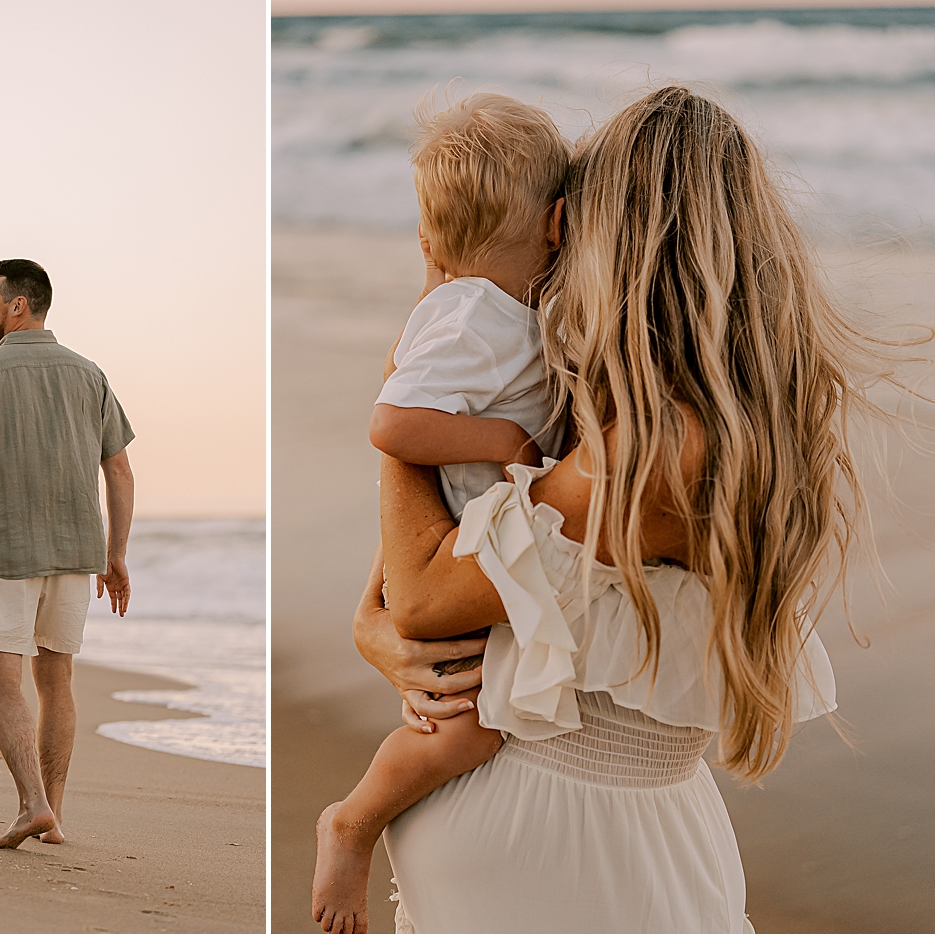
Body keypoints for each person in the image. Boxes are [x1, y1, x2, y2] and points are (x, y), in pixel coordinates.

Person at [355, 86, 881, 933]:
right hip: (594, 838)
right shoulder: (741, 417)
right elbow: (440, 573)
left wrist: (406, 369)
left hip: (562, 840)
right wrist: (368, 627)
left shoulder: (650, 447)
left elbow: (422, 595)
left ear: (604, 235)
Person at [312, 94, 570, 933]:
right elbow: (391, 421)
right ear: (559, 223)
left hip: (478, 535)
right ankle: (351, 821)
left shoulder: (489, 313)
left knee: (478, 710)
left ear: (432, 242)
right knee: (472, 725)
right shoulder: (474, 317)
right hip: (464, 538)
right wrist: (501, 433)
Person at [0, 259, 135, 849]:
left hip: (3, 550)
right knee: (56, 678)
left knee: (1, 680)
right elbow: (119, 470)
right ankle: (54, 817)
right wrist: (115, 553)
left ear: (18, 304)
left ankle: (32, 806)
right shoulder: (89, 374)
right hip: (77, 550)